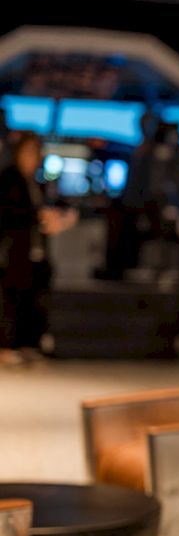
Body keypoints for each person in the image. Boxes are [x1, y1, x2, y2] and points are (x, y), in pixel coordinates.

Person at [0, 132, 76, 366]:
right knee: (9, 298)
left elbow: (55, 206)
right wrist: (38, 216)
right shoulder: (8, 179)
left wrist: (59, 218)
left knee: (31, 298)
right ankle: (5, 346)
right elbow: (8, 214)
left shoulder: (38, 183)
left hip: (36, 249)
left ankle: (26, 344)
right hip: (13, 250)